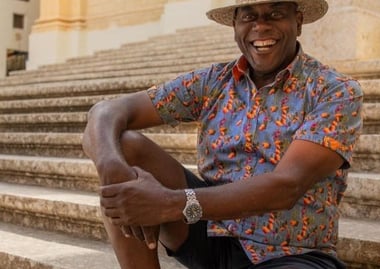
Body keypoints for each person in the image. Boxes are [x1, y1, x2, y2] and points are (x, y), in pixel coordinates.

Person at [82, 0, 363, 268]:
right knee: (122, 145)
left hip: (290, 252)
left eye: (275, 14)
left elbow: (286, 187)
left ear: (298, 21)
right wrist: (111, 167)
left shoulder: (334, 90)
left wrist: (171, 203)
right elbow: (106, 111)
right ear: (234, 25)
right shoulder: (213, 81)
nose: (260, 26)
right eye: (248, 15)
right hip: (209, 234)